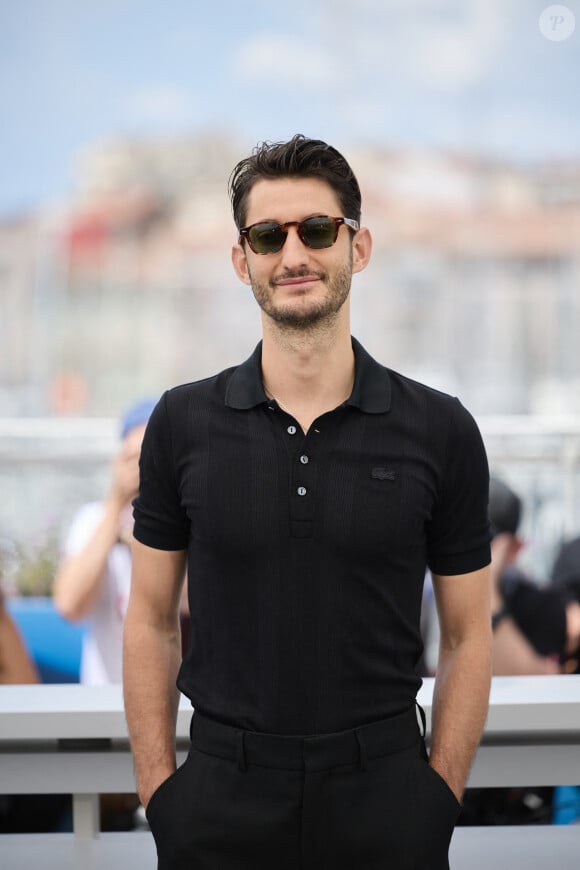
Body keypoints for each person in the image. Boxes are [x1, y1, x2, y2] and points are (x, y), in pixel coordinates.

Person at [123, 135, 492, 870]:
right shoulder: (181, 423)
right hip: (219, 800)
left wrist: (438, 798)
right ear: (243, 260)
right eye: (269, 235)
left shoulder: (441, 428)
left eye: (317, 230)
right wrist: (162, 796)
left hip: (387, 798)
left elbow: (466, 635)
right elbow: (151, 619)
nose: (294, 254)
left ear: (358, 247)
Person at [54, 398, 156, 684]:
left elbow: (190, 604)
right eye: (133, 458)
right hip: (105, 696)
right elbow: (69, 605)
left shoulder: (194, 519)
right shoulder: (93, 519)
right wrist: (116, 504)